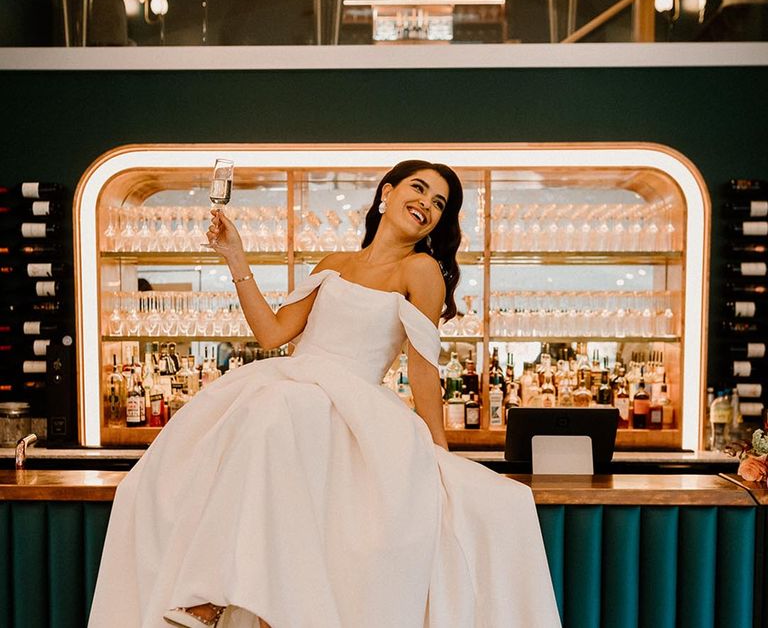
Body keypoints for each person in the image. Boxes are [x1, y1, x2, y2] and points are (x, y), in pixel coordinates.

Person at [88, 160, 561, 628]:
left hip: (350, 406)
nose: (426, 205)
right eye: (418, 189)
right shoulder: (333, 265)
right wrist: (236, 257)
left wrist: (441, 454)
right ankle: (230, 596)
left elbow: (423, 372)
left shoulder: (421, 270)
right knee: (222, 439)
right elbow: (274, 334)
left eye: (439, 203)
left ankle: (225, 602)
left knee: (272, 410)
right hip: (295, 386)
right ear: (387, 193)